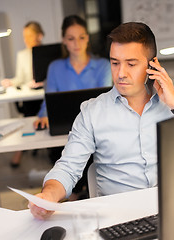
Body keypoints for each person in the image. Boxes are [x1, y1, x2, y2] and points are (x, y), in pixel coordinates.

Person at [29, 22, 174, 220]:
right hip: (121, 218)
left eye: (131, 64)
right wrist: (48, 195)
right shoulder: (92, 112)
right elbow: (68, 167)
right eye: (115, 63)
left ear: (153, 65)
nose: (121, 73)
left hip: (171, 211)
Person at [33, 15, 112, 199]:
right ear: (64, 41)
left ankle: (77, 194)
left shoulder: (103, 66)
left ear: (87, 38)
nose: (77, 43)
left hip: (95, 129)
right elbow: (49, 100)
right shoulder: (55, 67)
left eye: (81, 37)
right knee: (64, 156)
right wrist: (44, 115)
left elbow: (105, 101)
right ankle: (73, 193)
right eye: (71, 38)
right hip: (63, 131)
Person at [0, 21, 45, 168]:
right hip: (30, 96)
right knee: (29, 114)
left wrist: (43, 82)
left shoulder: (48, 53)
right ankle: (21, 149)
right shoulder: (22, 55)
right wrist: (10, 82)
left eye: (29, 36)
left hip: (45, 93)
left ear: (39, 36)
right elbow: (20, 78)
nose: (26, 40)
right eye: (24, 37)